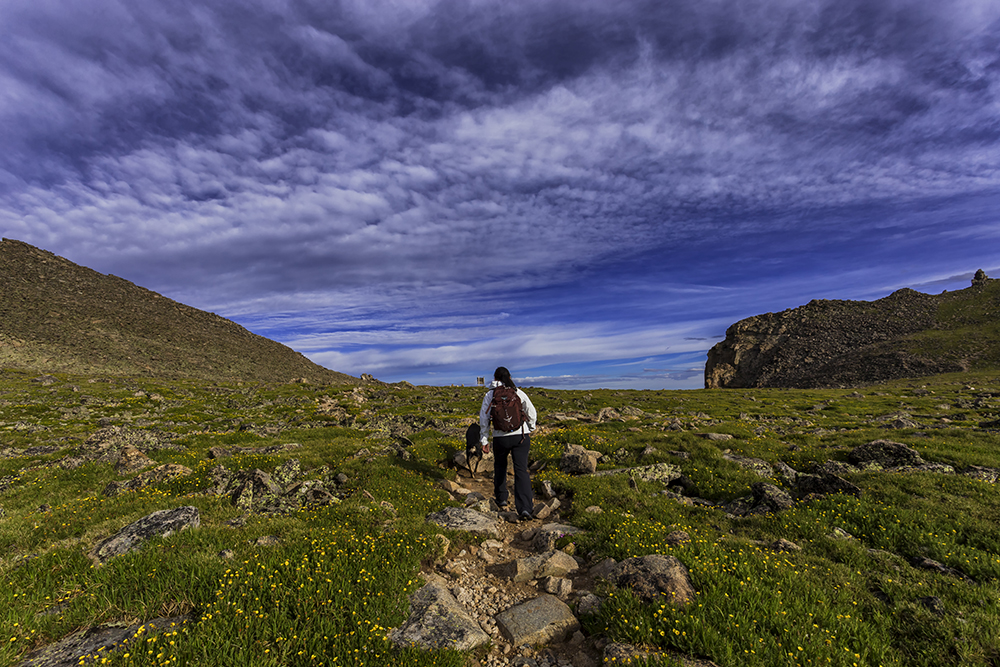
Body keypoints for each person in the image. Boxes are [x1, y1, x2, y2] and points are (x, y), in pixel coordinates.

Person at [479, 366, 537, 521]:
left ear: (495, 378)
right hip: (521, 436)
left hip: (500, 438)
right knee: (521, 470)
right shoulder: (517, 392)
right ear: (509, 377)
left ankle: (501, 498)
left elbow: (483, 419)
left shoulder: (490, 395)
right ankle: (525, 508)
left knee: (500, 466)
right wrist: (530, 428)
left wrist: (484, 440)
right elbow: (532, 412)